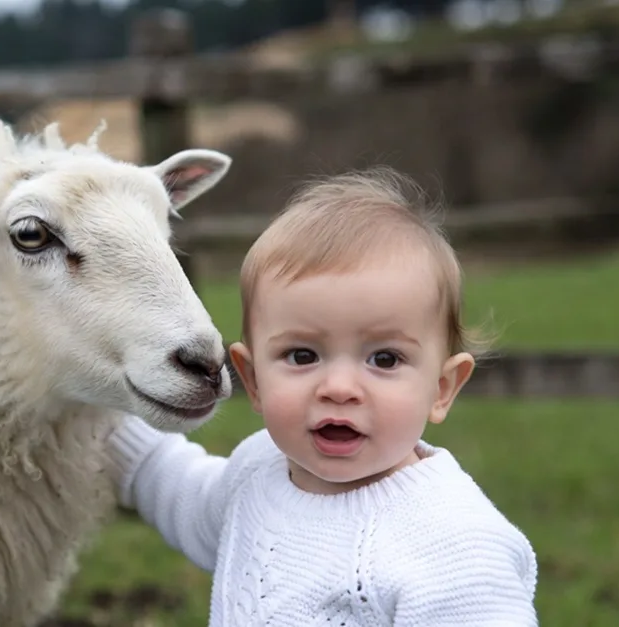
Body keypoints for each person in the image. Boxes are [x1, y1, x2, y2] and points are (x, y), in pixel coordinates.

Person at [106, 167, 539, 626]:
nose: (338, 388)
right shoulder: (258, 472)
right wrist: (106, 431)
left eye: (385, 360)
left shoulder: (453, 548)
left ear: (441, 388)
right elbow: (186, 496)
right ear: (253, 380)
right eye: (302, 355)